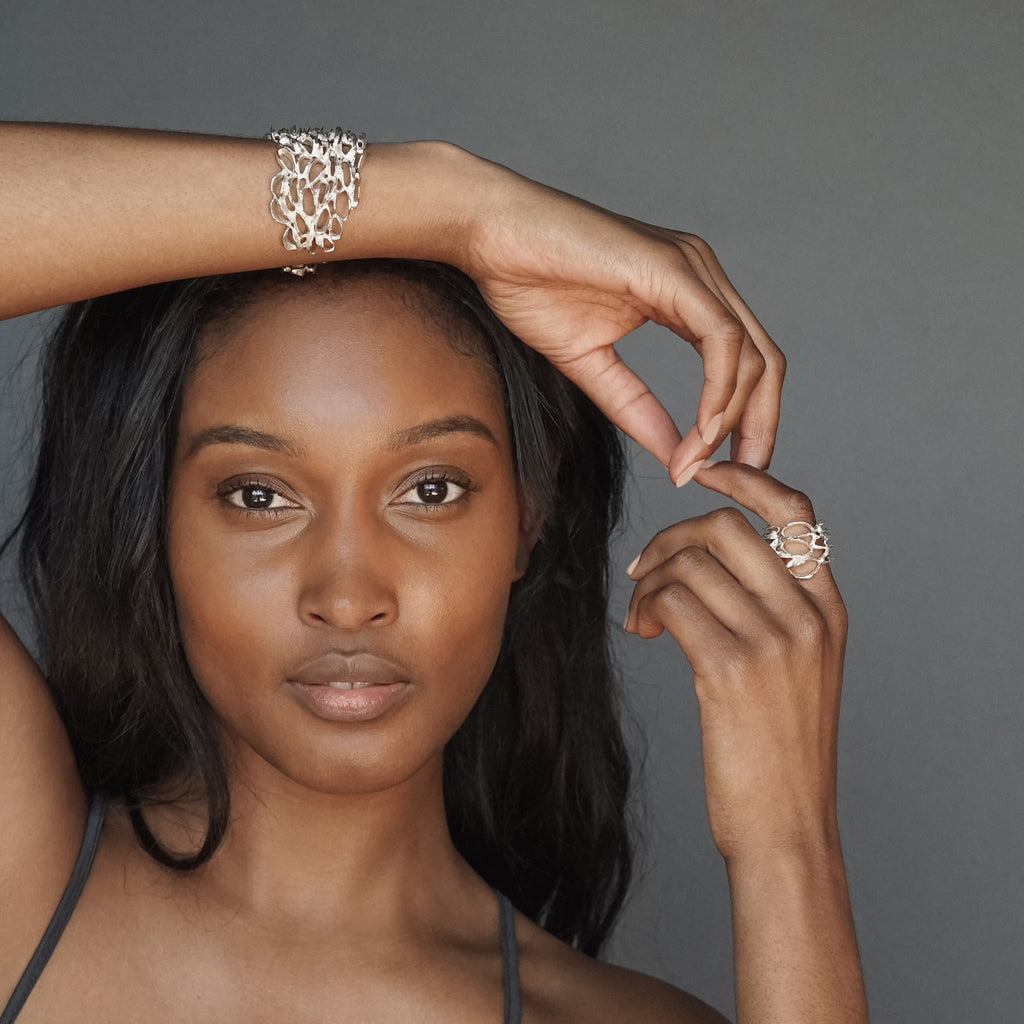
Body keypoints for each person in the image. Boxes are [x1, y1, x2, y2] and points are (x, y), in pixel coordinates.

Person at [0, 123, 867, 1022]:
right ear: (158, 525)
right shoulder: (22, 893)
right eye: (259, 496)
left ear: (530, 518)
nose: (346, 598)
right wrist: (451, 205)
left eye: (431, 489)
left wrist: (787, 846)